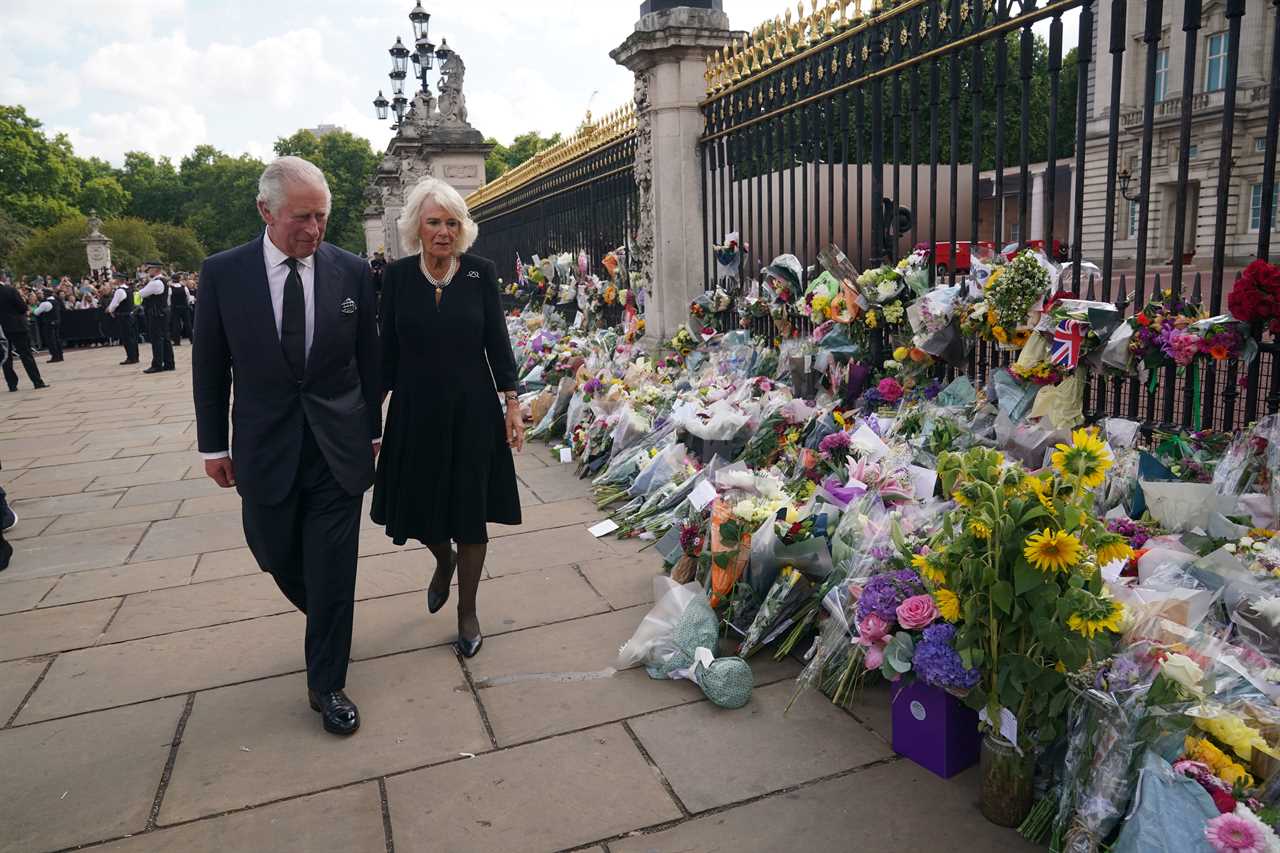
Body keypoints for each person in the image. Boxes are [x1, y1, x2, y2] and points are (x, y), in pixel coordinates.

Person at [193, 156, 382, 736]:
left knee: (332, 570)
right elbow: (210, 366)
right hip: (264, 445)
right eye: (301, 217)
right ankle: (328, 618)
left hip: (338, 445)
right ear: (265, 210)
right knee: (273, 550)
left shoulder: (350, 271)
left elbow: (369, 360)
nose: (314, 229)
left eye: (322, 217)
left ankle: (327, 682)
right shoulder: (224, 274)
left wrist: (373, 429)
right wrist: (212, 446)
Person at [370, 177, 523, 660]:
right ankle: (443, 560)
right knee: (416, 507)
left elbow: (497, 341)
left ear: (463, 228)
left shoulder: (479, 273)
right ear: (417, 226)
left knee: (471, 513)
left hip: (473, 410)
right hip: (415, 411)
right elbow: (386, 350)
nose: (443, 231)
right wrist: (370, 413)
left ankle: (468, 610)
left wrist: (512, 403)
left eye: (452, 222)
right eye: (434, 221)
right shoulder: (395, 277)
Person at [0, 279, 48, 390]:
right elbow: (22, 307)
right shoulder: (10, 290)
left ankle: (12, 385)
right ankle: (37, 381)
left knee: (6, 358)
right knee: (26, 355)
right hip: (17, 326)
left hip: (2, 328)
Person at [139, 261, 174, 373]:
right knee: (165, 338)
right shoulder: (164, 281)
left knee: (157, 338)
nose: (148, 271)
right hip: (163, 311)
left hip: (156, 313)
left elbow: (141, 294)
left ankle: (157, 364)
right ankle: (169, 363)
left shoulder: (155, 283)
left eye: (150, 269)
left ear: (156, 270)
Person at [107, 276, 140, 365]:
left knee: (126, 337)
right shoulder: (130, 289)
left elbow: (114, 303)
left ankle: (130, 357)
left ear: (118, 280)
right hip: (131, 315)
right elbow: (137, 302)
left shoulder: (119, 290)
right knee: (133, 337)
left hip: (124, 316)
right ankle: (135, 356)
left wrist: (110, 310)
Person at [33, 288, 63, 362]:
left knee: (51, 340)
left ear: (46, 294)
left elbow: (36, 312)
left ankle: (55, 356)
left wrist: (32, 309)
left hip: (49, 323)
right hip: (57, 322)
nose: (41, 295)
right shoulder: (56, 301)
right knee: (57, 339)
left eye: (42, 294)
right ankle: (60, 356)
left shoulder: (45, 303)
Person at [169, 274, 192, 345]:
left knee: (176, 325)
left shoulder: (170, 288)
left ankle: (177, 341)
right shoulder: (184, 287)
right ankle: (192, 339)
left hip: (175, 308)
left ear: (172, 279)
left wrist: (170, 306)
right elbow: (188, 297)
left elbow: (168, 299)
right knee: (188, 324)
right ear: (179, 279)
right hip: (184, 307)